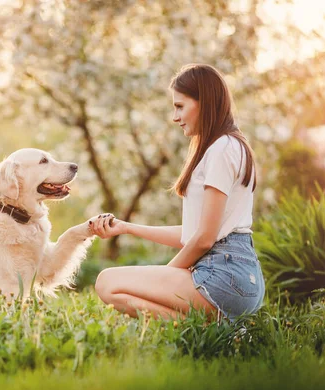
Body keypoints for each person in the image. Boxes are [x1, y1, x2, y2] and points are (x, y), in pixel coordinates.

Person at [90, 64, 265, 322]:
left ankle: (219, 332)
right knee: (113, 286)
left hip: (224, 275)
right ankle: (222, 332)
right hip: (234, 274)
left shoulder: (222, 148)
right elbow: (194, 234)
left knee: (107, 282)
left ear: (203, 103)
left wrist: (165, 275)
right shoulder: (228, 146)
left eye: (180, 106)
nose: (174, 116)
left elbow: (205, 239)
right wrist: (127, 227)